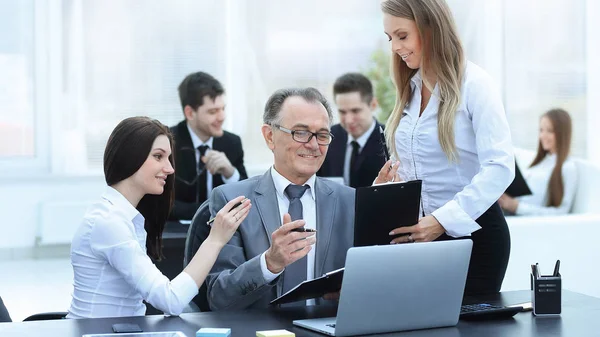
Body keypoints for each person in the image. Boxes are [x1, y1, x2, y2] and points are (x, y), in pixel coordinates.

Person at [376, 0, 515, 295]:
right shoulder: (409, 89)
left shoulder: (475, 84)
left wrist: (441, 220)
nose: (395, 48)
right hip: (421, 240)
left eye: (402, 36)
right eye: (390, 38)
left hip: (473, 239)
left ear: (430, 28)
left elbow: (500, 168)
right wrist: (386, 188)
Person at [67, 117, 251, 318]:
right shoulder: (109, 222)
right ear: (130, 158)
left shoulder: (124, 216)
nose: (170, 169)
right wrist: (215, 240)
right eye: (158, 156)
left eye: (168, 158)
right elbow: (171, 300)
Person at [205, 88, 355, 310]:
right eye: (301, 132)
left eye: (322, 135)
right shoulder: (231, 199)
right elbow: (219, 297)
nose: (314, 145)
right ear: (269, 136)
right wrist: (269, 264)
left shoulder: (350, 201)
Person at [170, 72, 248, 221]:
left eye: (222, 109)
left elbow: (247, 199)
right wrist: (211, 211)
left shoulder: (232, 142)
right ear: (190, 113)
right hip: (176, 235)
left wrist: (230, 173)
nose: (222, 117)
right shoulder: (167, 142)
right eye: (213, 112)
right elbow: (160, 203)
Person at [499, 109, 577, 215]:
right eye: (541, 130)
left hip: (524, 219)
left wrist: (517, 207)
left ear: (562, 133)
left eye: (549, 131)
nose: (542, 136)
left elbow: (562, 212)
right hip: (509, 211)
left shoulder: (567, 167)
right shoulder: (541, 162)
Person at [317, 73, 387, 187]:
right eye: (342, 112)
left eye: (355, 111)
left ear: (373, 105)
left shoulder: (390, 140)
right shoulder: (327, 137)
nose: (349, 120)